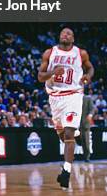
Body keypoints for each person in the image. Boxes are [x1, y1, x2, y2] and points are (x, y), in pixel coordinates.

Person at [38, 27, 94, 190]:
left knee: (69, 134)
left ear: (73, 38)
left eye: (69, 33)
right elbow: (40, 77)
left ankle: (66, 171)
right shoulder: (49, 53)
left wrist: (87, 77)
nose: (65, 34)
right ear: (59, 36)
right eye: (63, 32)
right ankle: (73, 135)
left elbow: (90, 68)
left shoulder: (80, 53)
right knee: (64, 137)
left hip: (73, 95)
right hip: (55, 98)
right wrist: (53, 72)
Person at [79, 92, 95, 161]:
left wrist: (90, 115)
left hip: (85, 122)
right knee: (81, 140)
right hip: (77, 123)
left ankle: (87, 156)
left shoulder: (88, 98)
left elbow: (92, 109)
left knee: (85, 140)